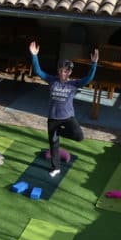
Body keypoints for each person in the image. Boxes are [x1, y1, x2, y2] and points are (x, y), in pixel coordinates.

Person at [29, 41, 99, 177]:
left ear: (70, 72)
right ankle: (56, 168)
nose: (63, 73)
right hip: (53, 118)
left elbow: (89, 78)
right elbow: (38, 71)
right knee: (53, 145)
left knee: (79, 136)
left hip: (68, 118)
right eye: (61, 70)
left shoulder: (74, 84)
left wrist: (94, 63)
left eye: (66, 71)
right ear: (58, 71)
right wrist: (34, 55)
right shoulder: (52, 80)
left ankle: (59, 133)